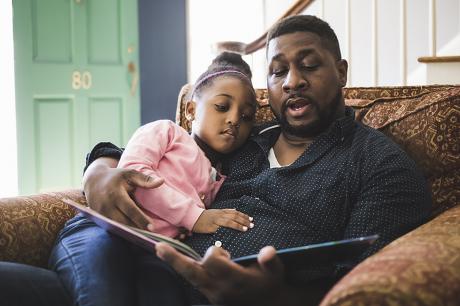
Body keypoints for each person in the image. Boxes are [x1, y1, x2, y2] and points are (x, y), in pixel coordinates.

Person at [0, 15, 432, 306]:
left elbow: (356, 281)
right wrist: (100, 168)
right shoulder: (246, 141)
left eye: (309, 65)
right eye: (278, 70)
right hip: (142, 267)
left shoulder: (378, 165)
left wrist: (273, 295)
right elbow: (170, 149)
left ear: (341, 71)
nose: (293, 81)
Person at [117, 52, 256, 238]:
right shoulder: (166, 132)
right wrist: (194, 217)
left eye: (246, 116)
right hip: (108, 231)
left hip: (152, 249)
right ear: (191, 111)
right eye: (222, 107)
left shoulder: (220, 178)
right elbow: (132, 175)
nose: (234, 119)